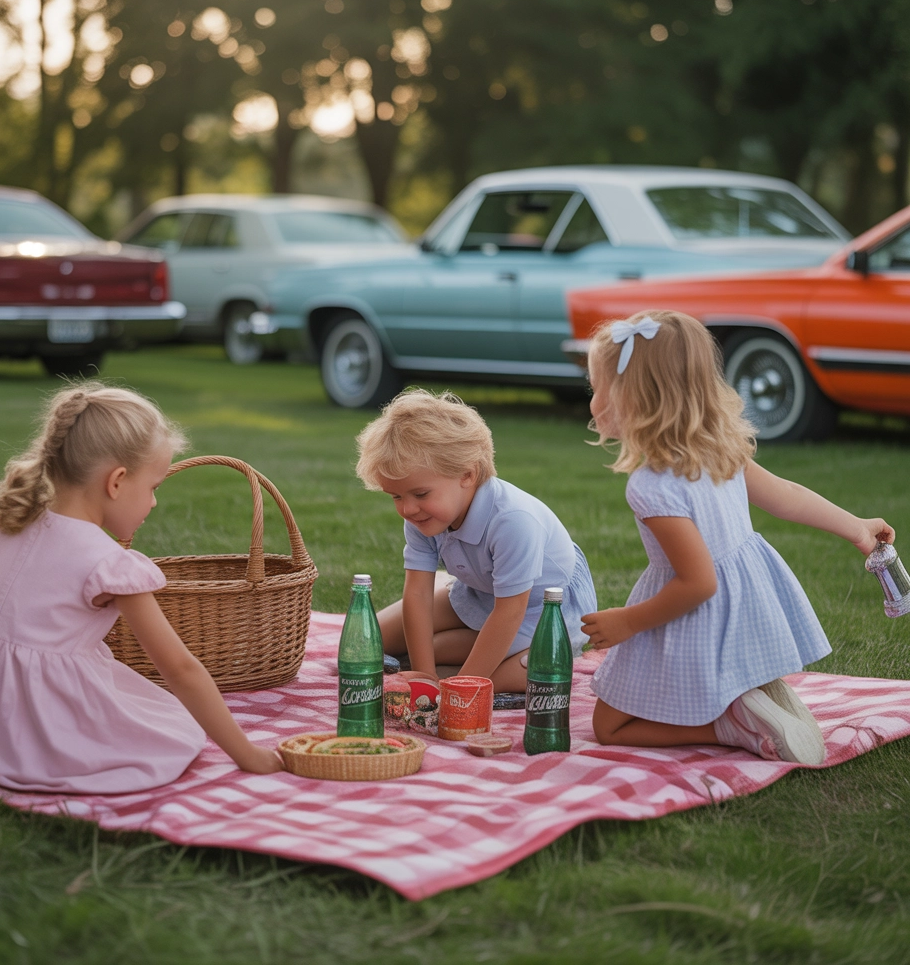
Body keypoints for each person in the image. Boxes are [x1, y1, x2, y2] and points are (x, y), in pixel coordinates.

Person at [0, 382, 281, 792]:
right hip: (32, 723)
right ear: (117, 481)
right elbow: (180, 670)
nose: (154, 503)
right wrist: (247, 754)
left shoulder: (0, 526)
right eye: (153, 488)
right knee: (164, 729)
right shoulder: (107, 563)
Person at [581, 310, 895, 765]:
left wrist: (629, 622)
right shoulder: (719, 449)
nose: (592, 402)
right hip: (746, 607)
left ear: (630, 399)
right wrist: (856, 527)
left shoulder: (651, 487)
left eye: (597, 389)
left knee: (609, 727)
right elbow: (786, 497)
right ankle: (754, 692)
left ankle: (729, 722)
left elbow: (698, 584)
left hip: (694, 613)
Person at [355, 389, 597, 693]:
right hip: (480, 593)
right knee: (364, 643)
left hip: (539, 610)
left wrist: (459, 688)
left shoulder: (513, 521)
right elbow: (417, 592)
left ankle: (529, 657)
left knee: (527, 676)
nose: (407, 509)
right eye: (396, 496)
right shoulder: (424, 516)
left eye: (420, 494)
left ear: (467, 474)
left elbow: (510, 612)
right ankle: (446, 658)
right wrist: (423, 674)